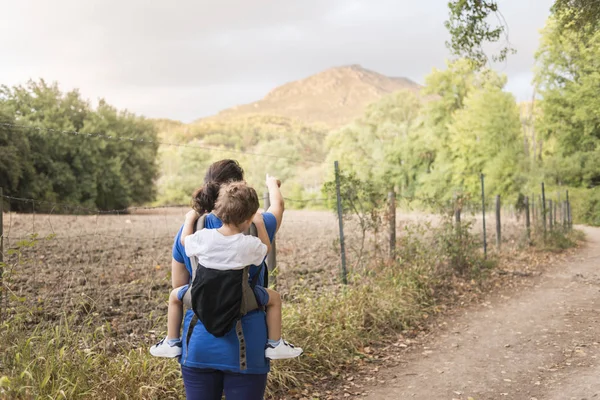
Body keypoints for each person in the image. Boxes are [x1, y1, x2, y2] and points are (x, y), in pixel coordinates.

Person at [153, 159, 285, 400]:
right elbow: (278, 206)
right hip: (247, 346)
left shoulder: (191, 233)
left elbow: (179, 288)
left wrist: (188, 219)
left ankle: (170, 341)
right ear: (241, 187)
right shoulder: (258, 225)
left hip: (197, 343)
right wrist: (272, 184)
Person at [150, 180, 302, 360]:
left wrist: (189, 219)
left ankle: (172, 342)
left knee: (175, 296)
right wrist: (259, 223)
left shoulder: (204, 237)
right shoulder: (247, 244)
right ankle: (275, 344)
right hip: (238, 300)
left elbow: (184, 241)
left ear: (219, 211)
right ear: (248, 219)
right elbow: (265, 249)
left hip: (201, 296)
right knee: (274, 299)